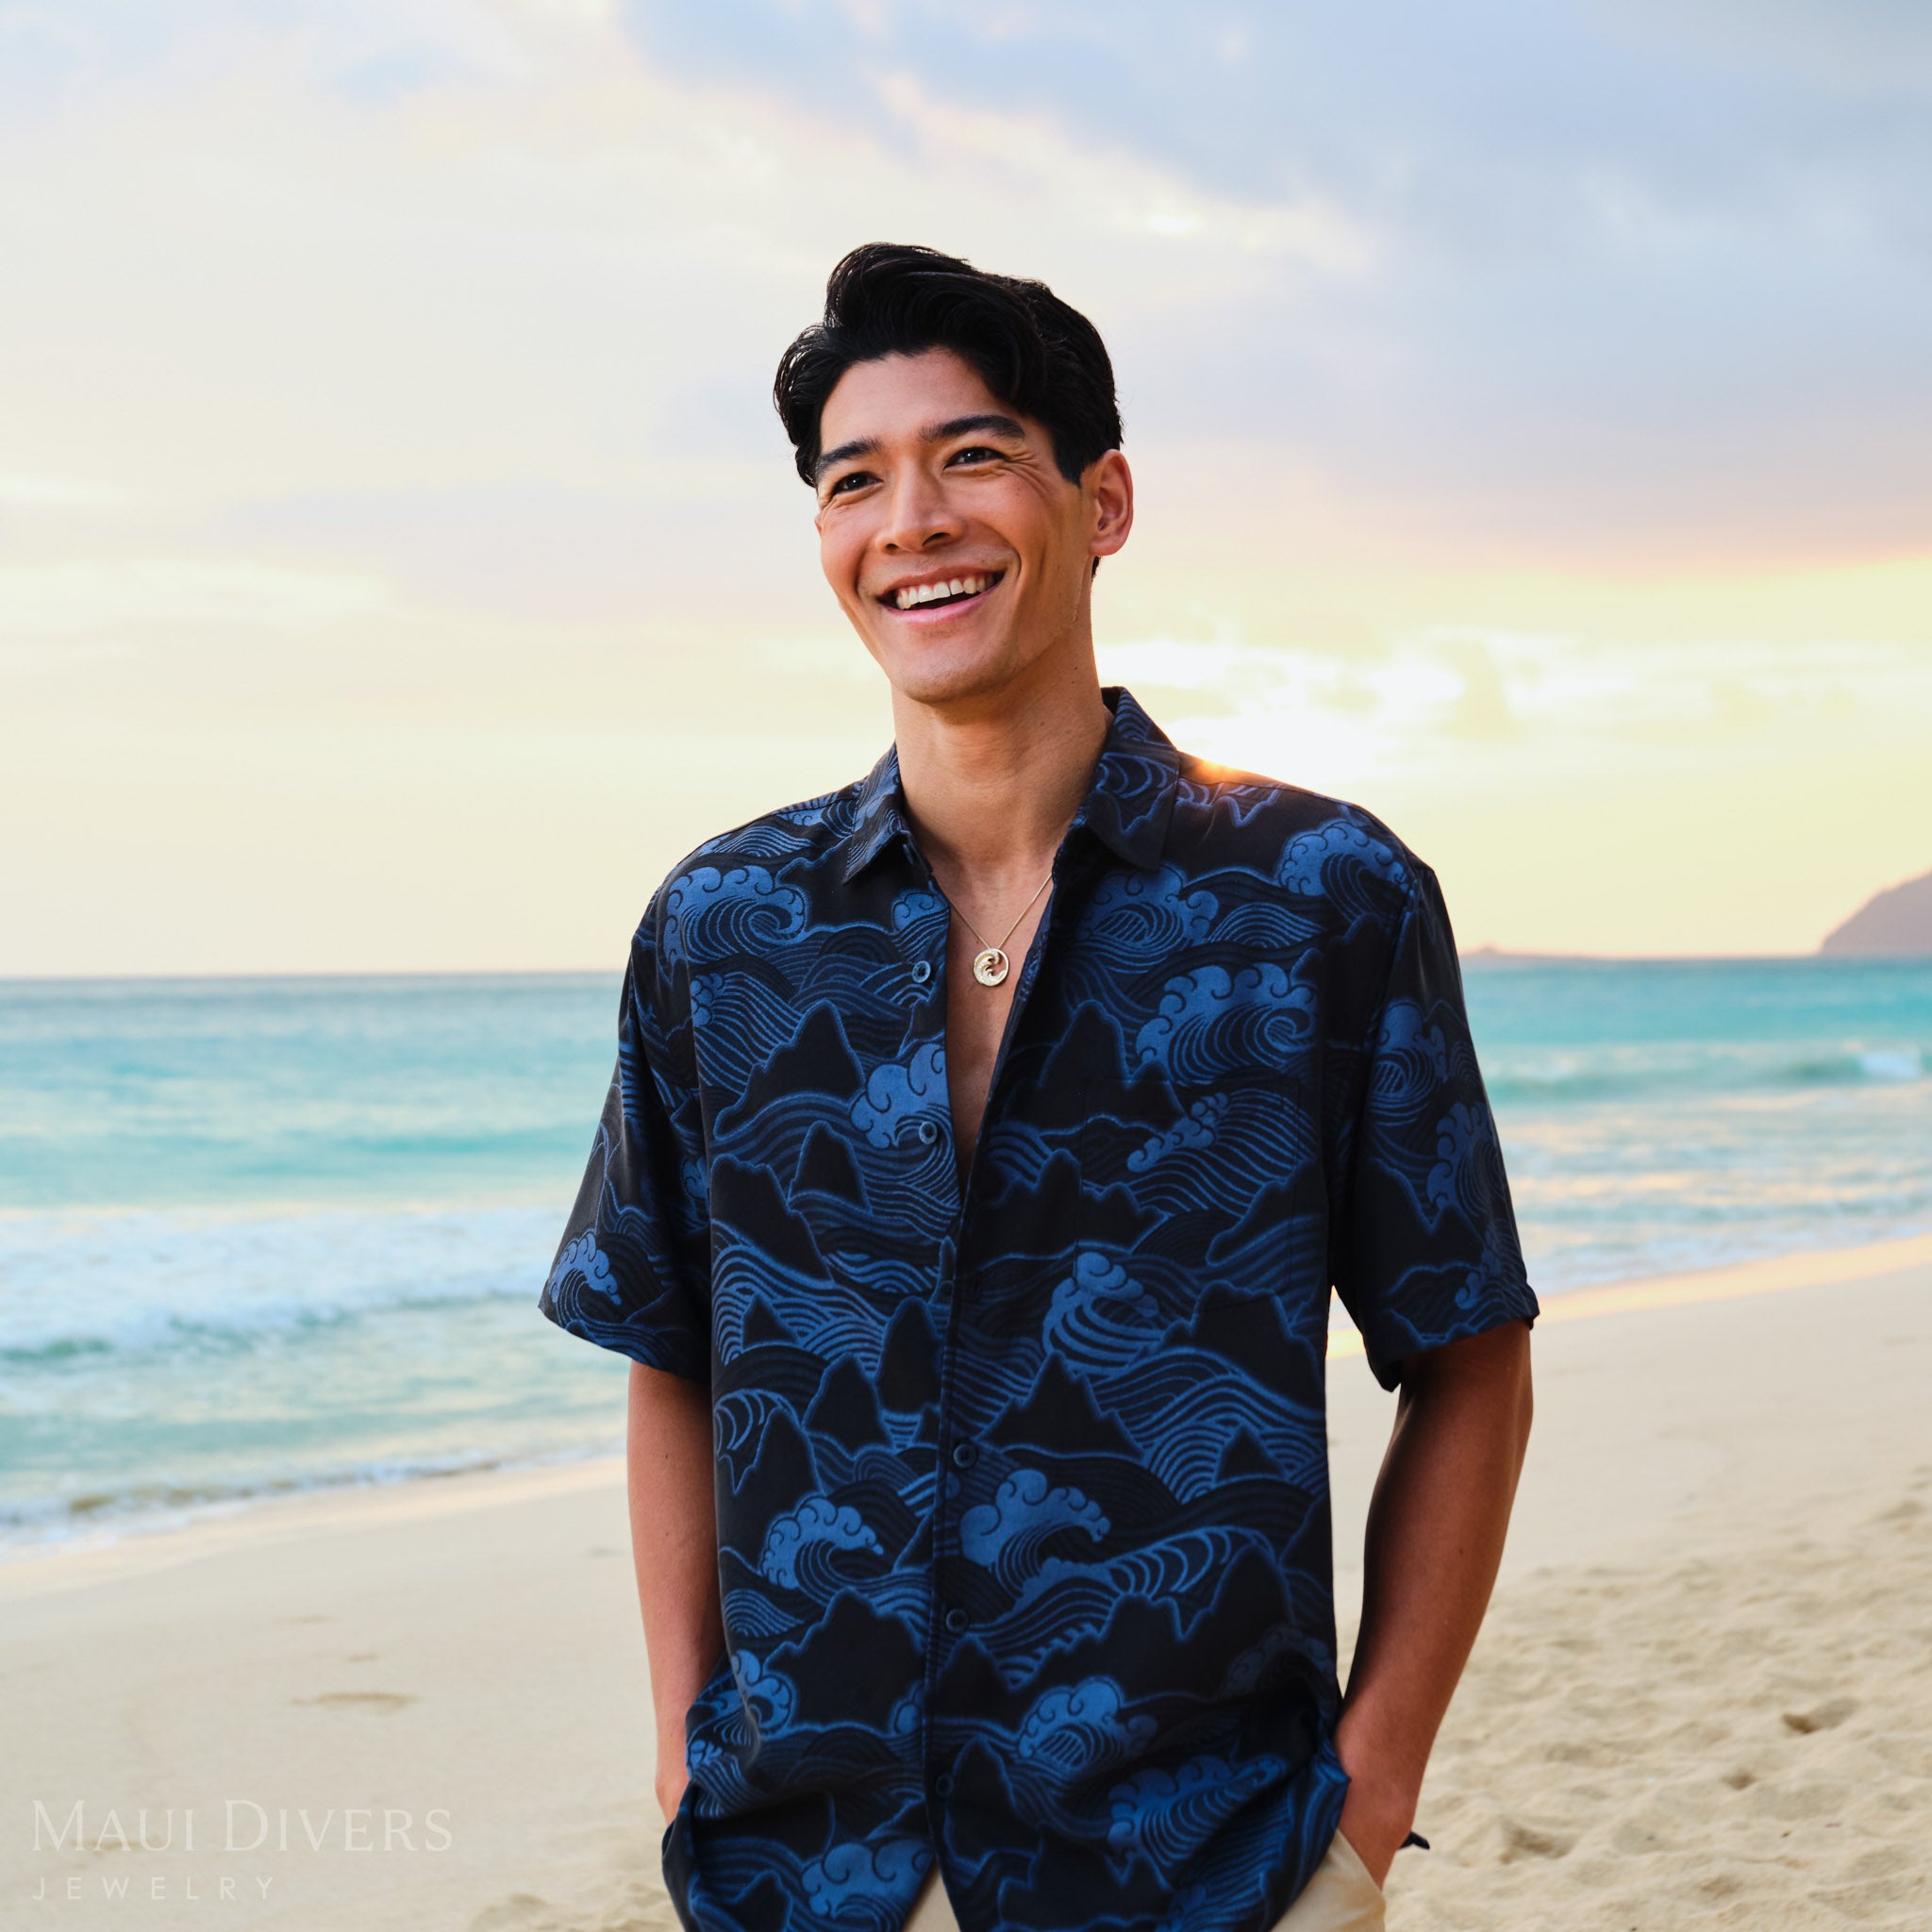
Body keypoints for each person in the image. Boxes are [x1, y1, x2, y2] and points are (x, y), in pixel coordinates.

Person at [541, 242, 1537, 1932]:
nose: (911, 520)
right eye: (857, 482)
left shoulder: (1323, 901)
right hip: (805, 1863)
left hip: (1205, 1863)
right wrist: (682, 1745)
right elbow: (672, 1352)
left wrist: (1370, 1801)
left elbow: (1470, 1355)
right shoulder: (721, 930)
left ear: (1107, 502)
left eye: (975, 456)